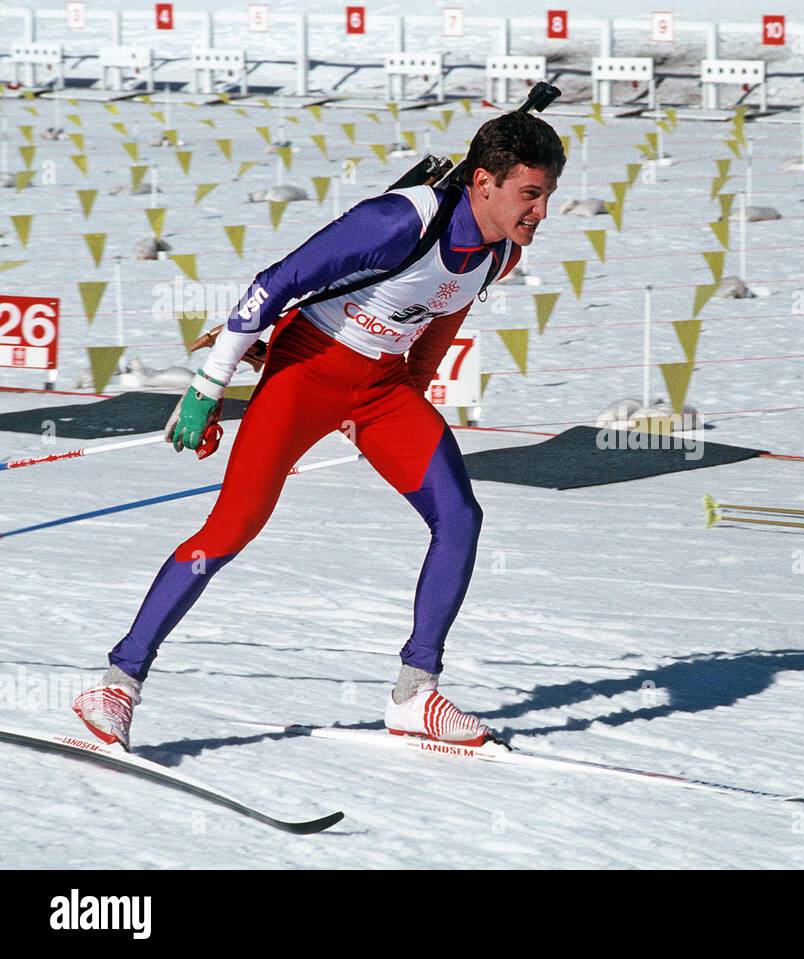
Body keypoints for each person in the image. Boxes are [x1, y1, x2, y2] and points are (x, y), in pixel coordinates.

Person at [72, 112, 565, 751]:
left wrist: (406, 402)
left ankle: (415, 694)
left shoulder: (500, 251)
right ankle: (117, 683)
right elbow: (273, 284)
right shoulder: (400, 221)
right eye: (532, 194)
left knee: (460, 517)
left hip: (382, 390)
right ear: (483, 182)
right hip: (305, 374)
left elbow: (445, 310)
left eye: (548, 195)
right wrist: (206, 389)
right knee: (232, 527)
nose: (543, 213)